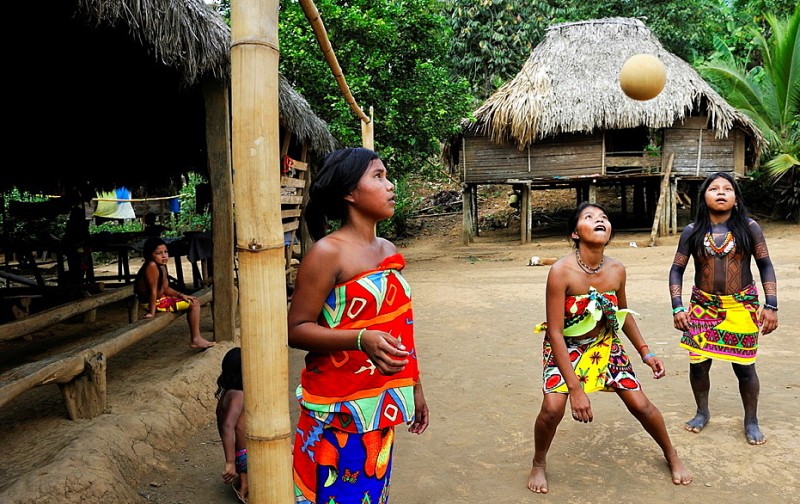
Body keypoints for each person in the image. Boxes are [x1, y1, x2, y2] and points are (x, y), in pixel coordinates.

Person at [288, 147, 429, 504]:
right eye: (378, 177)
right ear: (350, 192)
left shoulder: (387, 249)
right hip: (339, 408)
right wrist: (360, 339)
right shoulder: (327, 253)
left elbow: (402, 325)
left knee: (370, 494)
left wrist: (413, 384)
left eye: (387, 175)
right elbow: (297, 329)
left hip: (381, 402)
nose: (391, 185)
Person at [528, 202, 692, 494]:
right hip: (565, 346)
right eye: (589, 218)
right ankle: (538, 463)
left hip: (605, 343)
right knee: (552, 409)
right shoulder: (560, 271)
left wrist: (646, 352)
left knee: (640, 404)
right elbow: (554, 331)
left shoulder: (617, 270)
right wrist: (576, 389)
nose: (599, 220)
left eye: (603, 217)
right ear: (575, 233)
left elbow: (622, 315)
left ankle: (671, 453)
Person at [669, 172, 778, 445]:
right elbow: (676, 269)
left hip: (741, 306)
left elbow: (765, 265)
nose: (720, 192)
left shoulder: (749, 228)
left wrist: (771, 305)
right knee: (698, 366)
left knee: (744, 368)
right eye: (713, 188)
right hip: (703, 307)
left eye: (727, 188)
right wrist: (677, 307)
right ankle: (702, 411)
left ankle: (751, 419)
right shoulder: (692, 231)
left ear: (736, 198)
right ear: (703, 197)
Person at [133, 237, 215, 349]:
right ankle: (196, 339)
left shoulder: (162, 266)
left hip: (159, 300)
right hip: (152, 303)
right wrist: (151, 312)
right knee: (194, 304)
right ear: (150, 255)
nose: (164, 256)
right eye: (158, 253)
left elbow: (166, 288)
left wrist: (182, 295)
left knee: (192, 300)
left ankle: (197, 338)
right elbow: (152, 291)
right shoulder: (151, 266)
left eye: (165, 252)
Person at [215, 347, 247, 503]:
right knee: (294, 454)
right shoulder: (238, 395)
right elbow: (228, 426)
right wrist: (230, 462)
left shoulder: (225, 394)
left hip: (240, 456)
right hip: (245, 456)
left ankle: (245, 485)